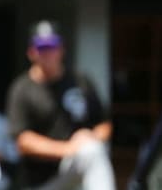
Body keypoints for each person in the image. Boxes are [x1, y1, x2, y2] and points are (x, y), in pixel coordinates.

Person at [6, 20, 114, 190]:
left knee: (92, 150)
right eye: (42, 48)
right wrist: (67, 149)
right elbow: (23, 142)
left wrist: (90, 136)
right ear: (32, 52)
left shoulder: (80, 81)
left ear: (62, 49)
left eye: (52, 46)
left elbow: (104, 124)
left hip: (74, 168)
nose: (48, 53)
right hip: (40, 181)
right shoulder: (22, 88)